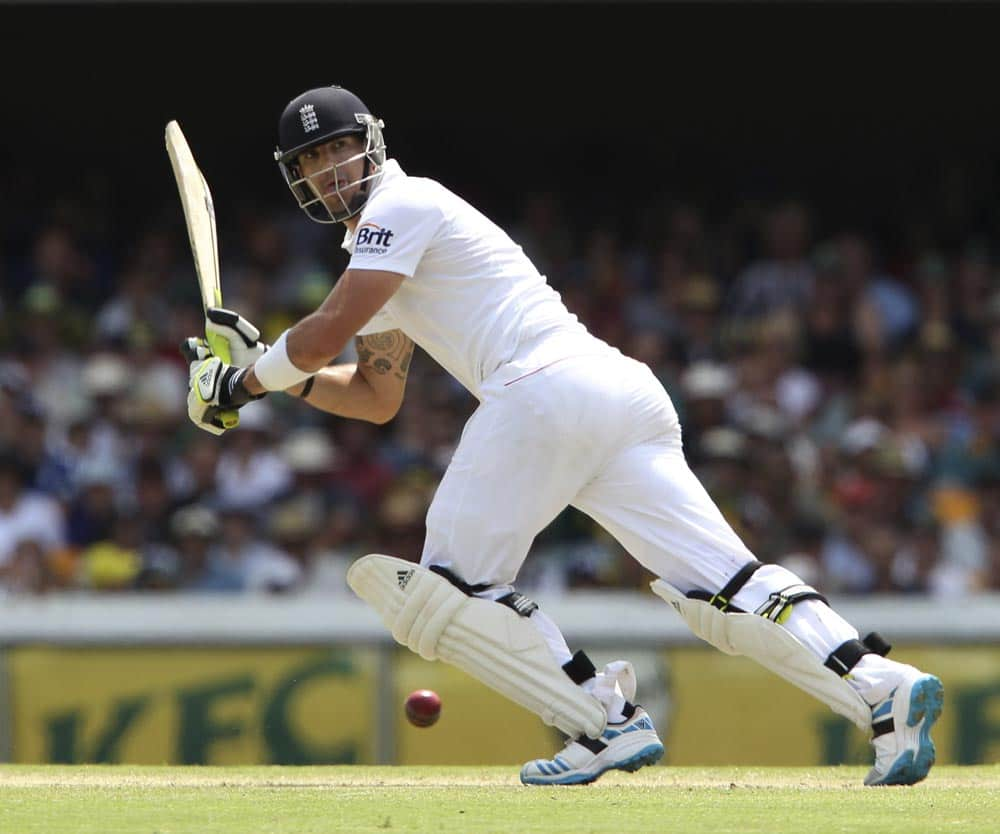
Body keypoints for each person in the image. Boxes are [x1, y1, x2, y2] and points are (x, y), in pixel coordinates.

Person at [183, 84, 943, 786]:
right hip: (613, 395)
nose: (328, 170)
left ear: (372, 143)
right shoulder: (379, 251)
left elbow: (319, 335)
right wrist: (270, 376)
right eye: (311, 161)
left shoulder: (400, 205)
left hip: (543, 392)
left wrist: (241, 385)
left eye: (337, 148)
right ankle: (886, 693)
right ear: (299, 178)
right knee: (725, 587)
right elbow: (376, 394)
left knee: (441, 593)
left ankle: (604, 720)